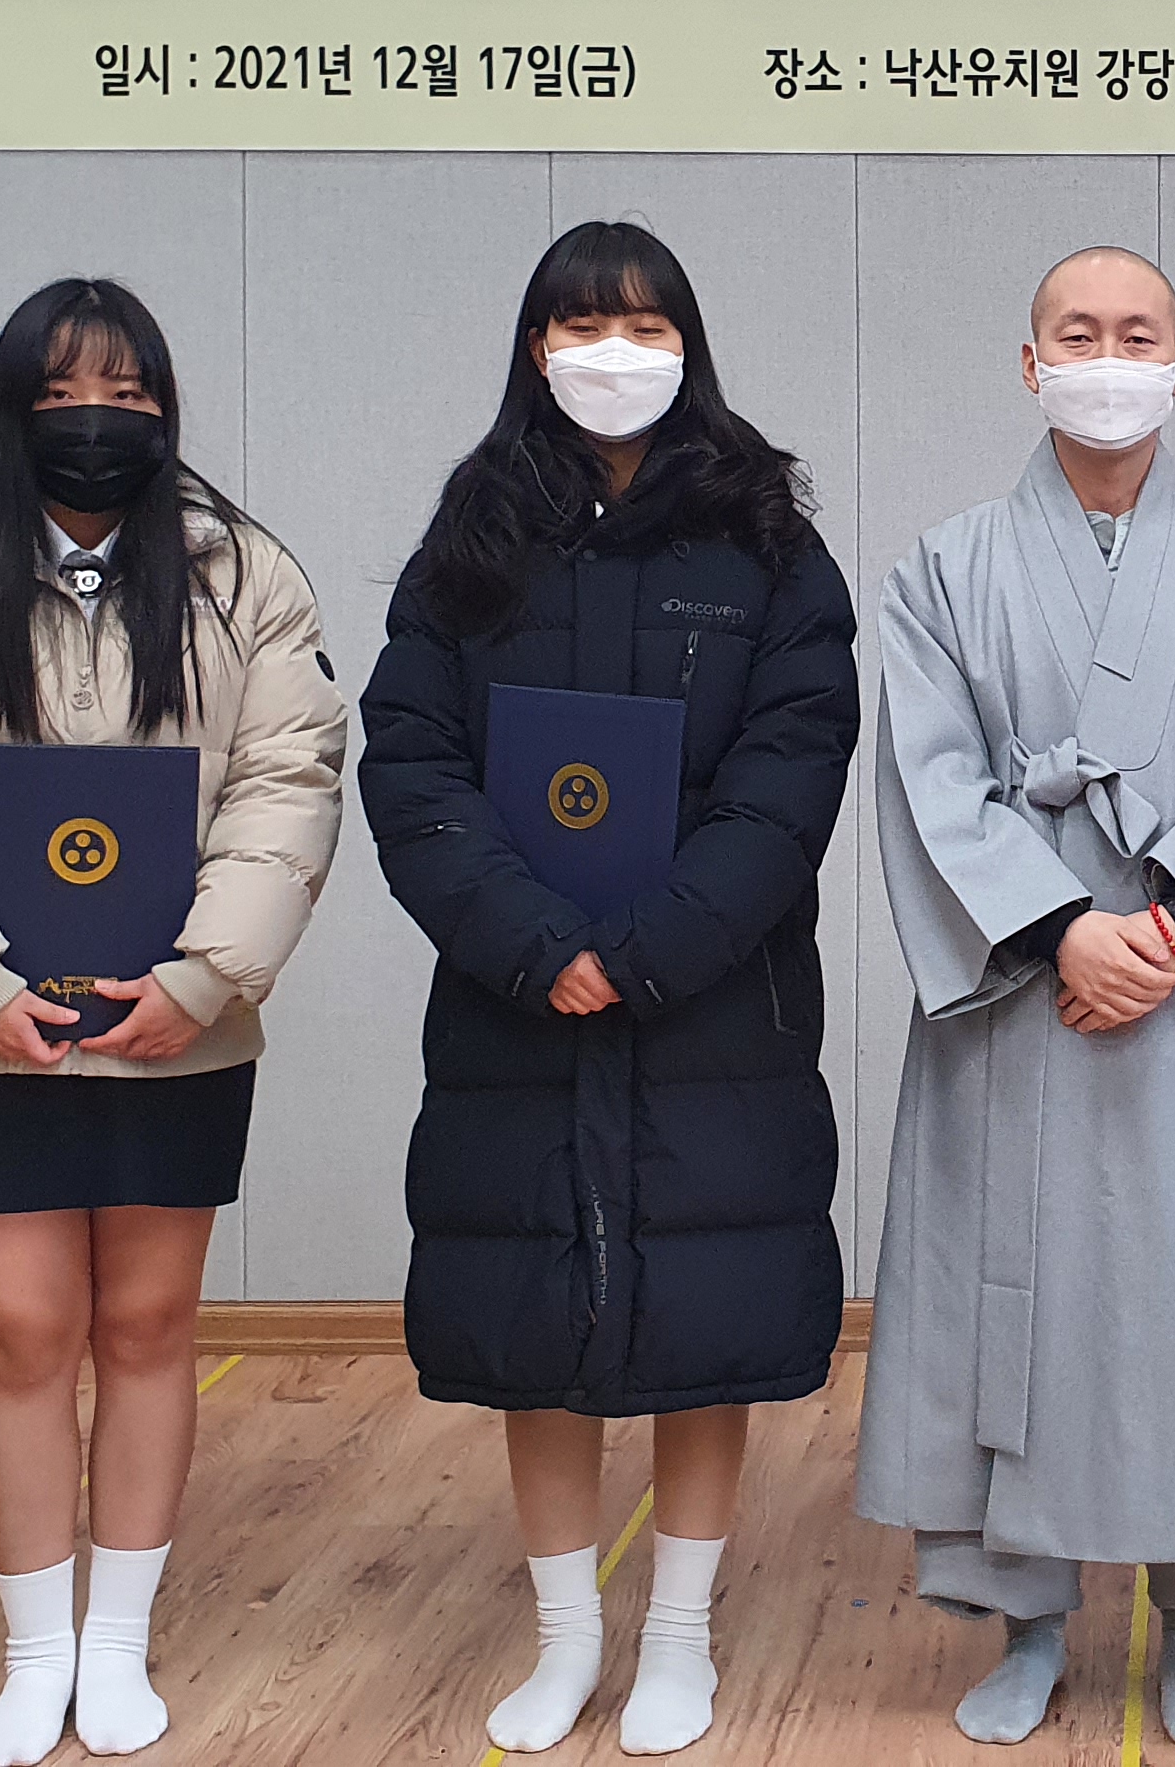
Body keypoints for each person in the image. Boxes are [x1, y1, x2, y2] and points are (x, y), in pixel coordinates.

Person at [0, 277, 349, 1767]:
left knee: (149, 1323)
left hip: (177, 1022)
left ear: (165, 409)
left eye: (123, 392)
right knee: (21, 1329)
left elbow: (289, 778)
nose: (94, 418)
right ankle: (31, 1654)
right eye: (60, 394)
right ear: (12, 411)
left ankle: (115, 1645)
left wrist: (203, 977)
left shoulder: (247, 574)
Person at [361, 220, 860, 1760]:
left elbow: (792, 770)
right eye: (583, 325)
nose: (614, 353)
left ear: (688, 347)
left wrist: (646, 949)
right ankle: (568, 1636)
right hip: (515, 1004)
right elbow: (411, 762)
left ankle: (683, 1637)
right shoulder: (471, 535)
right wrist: (535, 944)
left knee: (707, 1317)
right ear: (536, 347)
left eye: (645, 326)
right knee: (538, 1322)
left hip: (711, 1008)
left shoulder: (767, 539)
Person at [858, 246, 1175, 1748]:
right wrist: (1059, 928)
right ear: (1031, 364)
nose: (1107, 358)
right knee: (1014, 1301)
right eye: (1076, 334)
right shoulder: (944, 568)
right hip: (1026, 995)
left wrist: (1172, 923)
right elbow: (928, 777)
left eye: (1137, 334)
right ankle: (1028, 1622)